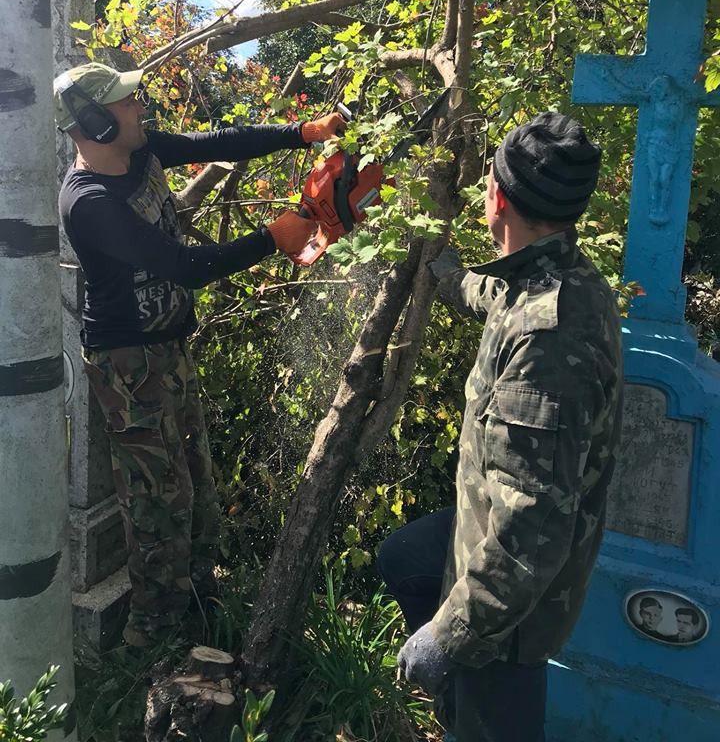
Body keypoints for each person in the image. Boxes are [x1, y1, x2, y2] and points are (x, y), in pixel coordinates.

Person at [54, 62, 344, 648]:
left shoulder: (140, 150)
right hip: (127, 364)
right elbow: (183, 266)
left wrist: (302, 133)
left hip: (169, 344)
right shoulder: (87, 202)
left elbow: (215, 143)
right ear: (92, 123)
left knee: (193, 471)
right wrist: (272, 238)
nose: (139, 110)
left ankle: (200, 592)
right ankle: (153, 628)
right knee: (155, 496)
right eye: (125, 104)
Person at [378, 112, 624, 742]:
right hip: (486, 539)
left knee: (496, 721)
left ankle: (468, 678)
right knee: (405, 556)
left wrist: (450, 633)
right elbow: (497, 299)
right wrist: (452, 275)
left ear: (497, 197)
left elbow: (531, 530)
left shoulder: (547, 339)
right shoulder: (558, 278)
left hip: (510, 615)